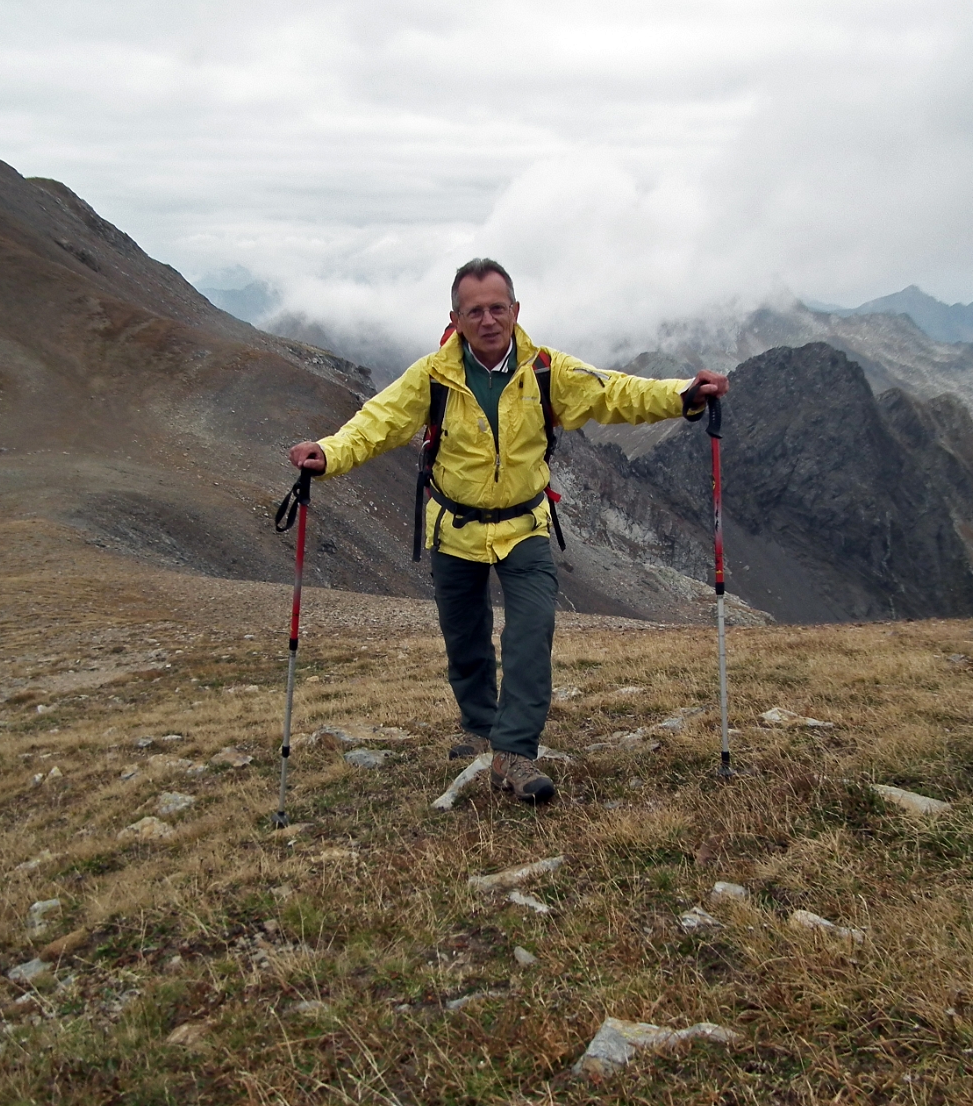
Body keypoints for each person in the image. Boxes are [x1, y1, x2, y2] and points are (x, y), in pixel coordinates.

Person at [289, 258, 728, 805]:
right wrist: (327, 454)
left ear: (516, 311)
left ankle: (514, 752)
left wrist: (683, 395)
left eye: (498, 308)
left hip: (525, 527)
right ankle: (478, 726)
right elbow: (377, 423)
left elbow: (612, 393)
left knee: (530, 633)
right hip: (454, 529)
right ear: (456, 317)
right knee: (465, 639)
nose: (488, 319)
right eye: (475, 311)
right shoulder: (431, 376)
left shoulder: (547, 371)